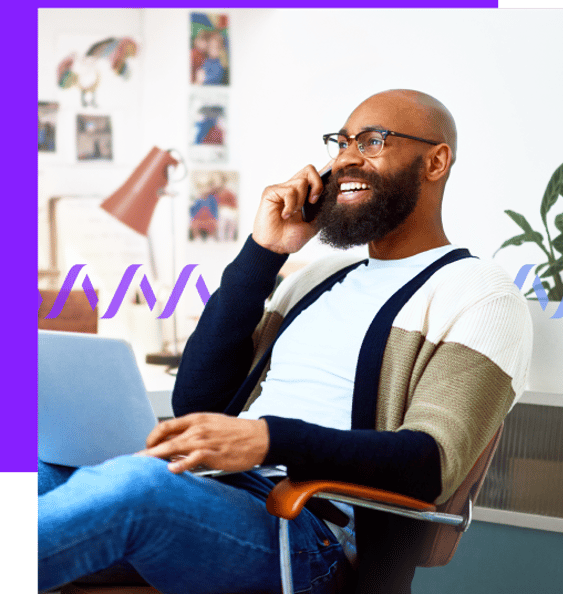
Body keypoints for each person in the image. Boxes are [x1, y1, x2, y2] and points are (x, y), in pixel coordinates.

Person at [37, 89, 532, 594]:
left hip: (307, 532)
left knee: (135, 489)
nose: (344, 160)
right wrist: (264, 251)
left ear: (435, 161)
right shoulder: (317, 276)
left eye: (372, 142)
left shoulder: (479, 294)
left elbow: (430, 465)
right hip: (212, 494)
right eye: (340, 143)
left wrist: (268, 439)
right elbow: (198, 399)